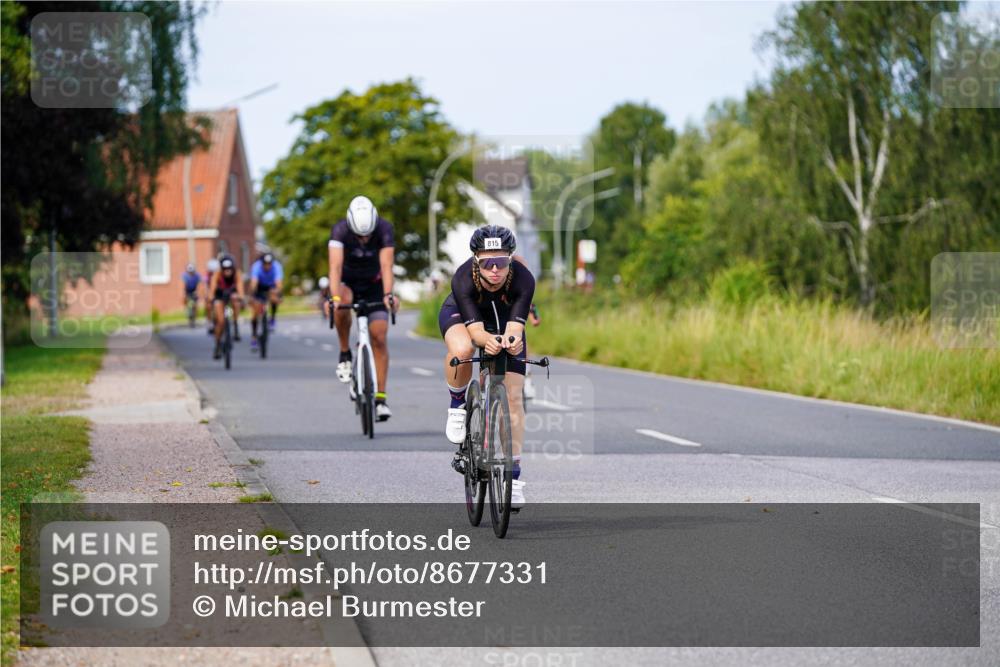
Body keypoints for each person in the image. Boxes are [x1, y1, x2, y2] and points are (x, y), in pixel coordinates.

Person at [437, 225, 535, 509]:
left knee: (513, 397)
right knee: (464, 349)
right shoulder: (463, 278)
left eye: (501, 262)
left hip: (503, 321)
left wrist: (513, 341)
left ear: (510, 260)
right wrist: (488, 341)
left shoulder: (524, 280)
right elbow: (477, 333)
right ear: (476, 261)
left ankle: (513, 478)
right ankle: (457, 403)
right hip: (464, 316)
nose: (495, 269)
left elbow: (516, 326)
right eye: (487, 262)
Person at [327, 195, 399, 421]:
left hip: (374, 284)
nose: (365, 238)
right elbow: (335, 267)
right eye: (360, 235)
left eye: (368, 234)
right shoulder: (339, 230)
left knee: (379, 336)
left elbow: (387, 265)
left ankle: (380, 399)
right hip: (348, 283)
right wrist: (335, 296)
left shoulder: (384, 228)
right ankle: (345, 353)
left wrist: (388, 295)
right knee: (341, 304)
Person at [207, 255, 244, 359]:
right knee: (221, 321)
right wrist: (211, 298)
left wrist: (240, 296)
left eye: (229, 269)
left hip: (231, 294)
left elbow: (240, 287)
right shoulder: (217, 274)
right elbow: (212, 289)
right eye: (225, 270)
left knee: (236, 302)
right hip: (220, 295)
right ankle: (218, 344)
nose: (227, 272)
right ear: (222, 269)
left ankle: (235, 324)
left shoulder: (237, 273)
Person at [248, 252, 284, 351]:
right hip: (259, 287)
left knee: (274, 298)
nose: (267, 266)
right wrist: (252, 296)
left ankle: (272, 318)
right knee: (255, 312)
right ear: (262, 263)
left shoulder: (277, 266)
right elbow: (254, 283)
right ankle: (254, 338)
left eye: (269, 264)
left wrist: (278, 293)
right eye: (265, 264)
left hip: (271, 287)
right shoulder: (256, 267)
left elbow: (279, 284)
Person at [204, 258, 220, 334]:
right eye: (212, 271)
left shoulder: (220, 273)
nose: (213, 273)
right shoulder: (207, 275)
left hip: (219, 292)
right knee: (209, 306)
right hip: (211, 291)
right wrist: (207, 294)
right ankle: (210, 322)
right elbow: (205, 285)